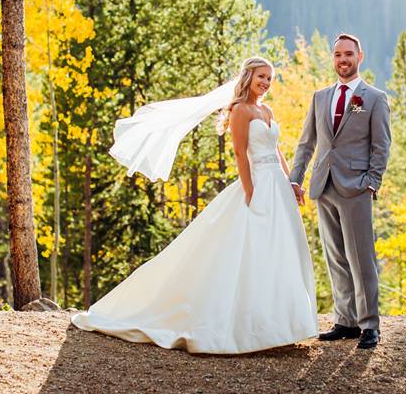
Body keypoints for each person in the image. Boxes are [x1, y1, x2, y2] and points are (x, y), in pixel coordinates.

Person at [71, 57, 318, 354]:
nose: (265, 82)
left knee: (280, 250)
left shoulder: (267, 110)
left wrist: (291, 183)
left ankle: (280, 324)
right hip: (258, 185)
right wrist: (251, 193)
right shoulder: (240, 110)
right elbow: (241, 154)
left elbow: (277, 151)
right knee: (249, 251)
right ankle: (246, 327)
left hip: (277, 185)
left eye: (270, 78)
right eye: (261, 76)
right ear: (249, 76)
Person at [289, 33, 391, 350]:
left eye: (348, 54)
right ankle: (345, 321)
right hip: (324, 186)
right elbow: (307, 143)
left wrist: (371, 181)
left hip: (357, 187)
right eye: (337, 55)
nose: (342, 59)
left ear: (360, 57)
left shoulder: (374, 98)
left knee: (362, 259)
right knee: (335, 257)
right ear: (333, 59)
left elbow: (381, 144)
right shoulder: (320, 97)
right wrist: (296, 178)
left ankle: (369, 325)